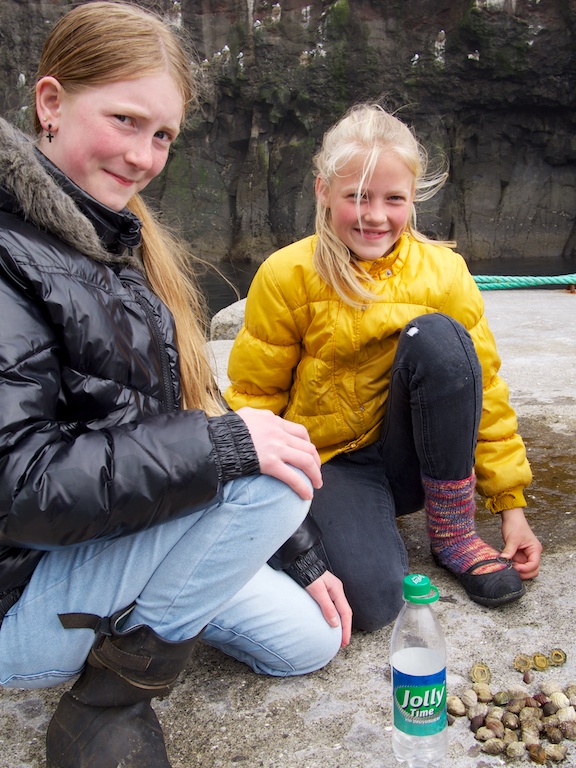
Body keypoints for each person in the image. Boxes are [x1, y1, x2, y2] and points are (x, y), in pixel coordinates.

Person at [0, 3, 352, 767]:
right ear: (50, 102)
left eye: (162, 135)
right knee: (271, 477)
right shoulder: (10, 254)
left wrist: (299, 556)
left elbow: (192, 401)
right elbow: (18, 485)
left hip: (105, 536)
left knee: (310, 640)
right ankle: (107, 704)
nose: (144, 156)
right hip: (19, 586)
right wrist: (228, 452)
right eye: (125, 120)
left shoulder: (109, 240)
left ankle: (157, 601)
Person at [225, 103, 543, 632]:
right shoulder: (286, 275)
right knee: (370, 606)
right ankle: (355, 527)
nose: (376, 216)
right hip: (334, 464)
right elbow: (255, 399)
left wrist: (511, 506)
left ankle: (452, 531)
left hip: (418, 459)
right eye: (357, 197)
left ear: (412, 197)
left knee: (441, 338)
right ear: (323, 189)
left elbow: (482, 388)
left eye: (393, 198)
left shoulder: (444, 273)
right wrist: (272, 513)